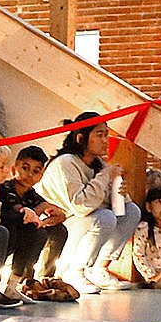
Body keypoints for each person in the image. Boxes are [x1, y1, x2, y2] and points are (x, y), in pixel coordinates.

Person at [38, 117, 138, 295]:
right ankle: (73, 272)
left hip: (83, 223)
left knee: (131, 211)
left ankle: (99, 268)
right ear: (81, 138)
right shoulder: (65, 162)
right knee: (104, 217)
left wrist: (119, 192)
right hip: (58, 228)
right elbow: (81, 206)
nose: (105, 140)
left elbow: (116, 208)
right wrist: (105, 177)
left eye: (106, 135)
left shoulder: (99, 165)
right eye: (99, 135)